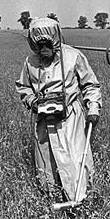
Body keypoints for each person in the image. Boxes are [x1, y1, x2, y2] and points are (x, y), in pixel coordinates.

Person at [16, 17, 102, 202]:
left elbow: (90, 85)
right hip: (44, 120)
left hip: (70, 118)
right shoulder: (30, 62)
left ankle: (82, 201)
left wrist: (93, 109)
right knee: (48, 163)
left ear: (55, 39)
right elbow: (23, 87)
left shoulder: (73, 56)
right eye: (39, 45)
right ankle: (54, 199)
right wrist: (33, 102)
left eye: (47, 44)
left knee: (76, 159)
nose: (43, 49)